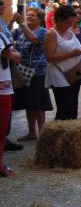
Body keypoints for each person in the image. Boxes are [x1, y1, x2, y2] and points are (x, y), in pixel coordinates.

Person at [10, 8, 52, 141]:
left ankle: (43, 134)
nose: (29, 17)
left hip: (38, 72)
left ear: (40, 19)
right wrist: (11, 21)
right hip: (23, 71)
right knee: (28, 103)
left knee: (39, 104)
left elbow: (33, 39)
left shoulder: (43, 32)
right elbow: (6, 36)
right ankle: (32, 132)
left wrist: (22, 23)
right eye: (28, 15)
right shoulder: (19, 31)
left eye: (33, 16)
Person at [44, 5, 81, 120]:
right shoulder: (51, 34)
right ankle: (58, 136)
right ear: (59, 19)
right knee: (65, 110)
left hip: (74, 72)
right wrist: (72, 54)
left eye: (71, 23)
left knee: (73, 108)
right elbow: (49, 57)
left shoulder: (69, 31)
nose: (69, 25)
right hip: (60, 75)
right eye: (67, 22)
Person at [0, 28, 21, 177]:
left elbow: (18, 57)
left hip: (4, 89)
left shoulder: (2, 36)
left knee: (1, 131)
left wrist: (10, 54)